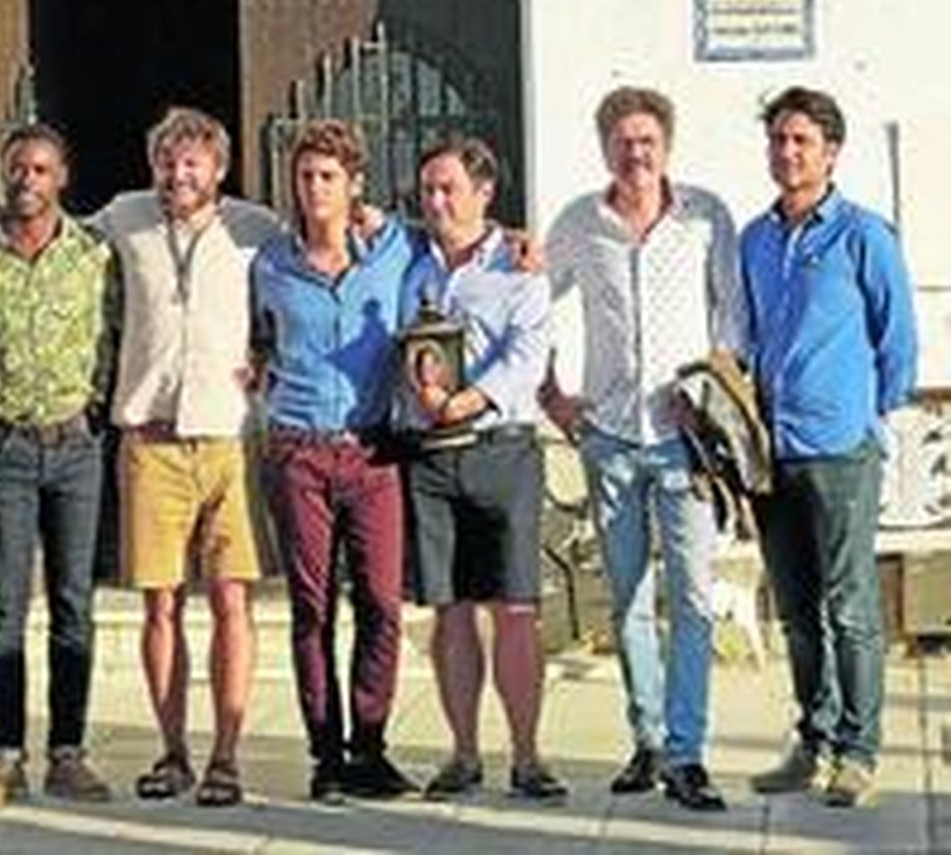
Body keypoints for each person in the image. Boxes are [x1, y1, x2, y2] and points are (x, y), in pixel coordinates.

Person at [542, 87, 745, 810]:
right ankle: (648, 738)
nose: (636, 152)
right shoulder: (578, 223)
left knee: (690, 598)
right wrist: (551, 395)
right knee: (626, 596)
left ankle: (688, 753)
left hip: (686, 444)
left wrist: (715, 396)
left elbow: (735, 316)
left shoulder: (704, 216)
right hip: (611, 439)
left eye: (647, 140)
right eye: (623, 140)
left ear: (667, 145)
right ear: (604, 147)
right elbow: (532, 305)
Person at [89, 106, 276, 806]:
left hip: (227, 438)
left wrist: (270, 356)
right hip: (150, 439)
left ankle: (227, 756)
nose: (178, 172)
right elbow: (56, 244)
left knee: (233, 600)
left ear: (218, 168)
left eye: (192, 161)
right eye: (167, 160)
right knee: (159, 606)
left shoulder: (257, 229)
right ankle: (172, 751)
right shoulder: (122, 216)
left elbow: (314, 269)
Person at [741, 87, 917, 808]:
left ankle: (858, 749)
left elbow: (898, 338)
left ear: (831, 151)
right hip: (770, 451)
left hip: (841, 448)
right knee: (796, 608)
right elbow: (748, 332)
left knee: (850, 608)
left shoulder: (863, 236)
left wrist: (865, 413)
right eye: (779, 140)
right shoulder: (755, 236)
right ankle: (812, 740)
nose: (788, 153)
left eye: (802, 141)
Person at [251, 119, 418, 804]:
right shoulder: (269, 263)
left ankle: (369, 746)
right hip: (299, 451)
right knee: (311, 608)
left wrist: (523, 248)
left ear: (354, 184)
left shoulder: (395, 249)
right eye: (305, 175)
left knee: (381, 602)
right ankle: (325, 752)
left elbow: (465, 227)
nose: (315, 188)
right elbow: (252, 338)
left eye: (328, 176)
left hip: (374, 450)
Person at [0, 124, 117, 808]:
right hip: (8, 448)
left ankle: (68, 753)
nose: (28, 179)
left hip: (76, 446)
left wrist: (98, 410)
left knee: (75, 603)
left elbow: (119, 331)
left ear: (62, 177)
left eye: (42, 169)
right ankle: (5, 754)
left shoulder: (95, 254)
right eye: (18, 167)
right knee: (5, 606)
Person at [401, 134, 566, 802]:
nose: (436, 201)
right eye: (428, 189)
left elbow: (531, 349)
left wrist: (469, 398)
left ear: (484, 193)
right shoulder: (410, 260)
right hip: (431, 459)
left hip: (501, 448)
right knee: (451, 609)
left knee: (516, 608)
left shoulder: (520, 265)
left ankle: (527, 754)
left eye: (448, 188)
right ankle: (463, 752)